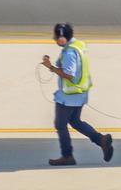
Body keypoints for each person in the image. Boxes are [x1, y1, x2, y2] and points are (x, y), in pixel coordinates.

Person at [39, 23, 113, 166]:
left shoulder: (69, 53)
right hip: (80, 92)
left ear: (61, 38)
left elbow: (69, 74)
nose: (55, 39)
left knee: (60, 124)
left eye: (56, 37)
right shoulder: (79, 45)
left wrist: (51, 67)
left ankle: (67, 156)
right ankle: (101, 140)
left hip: (69, 96)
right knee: (75, 121)